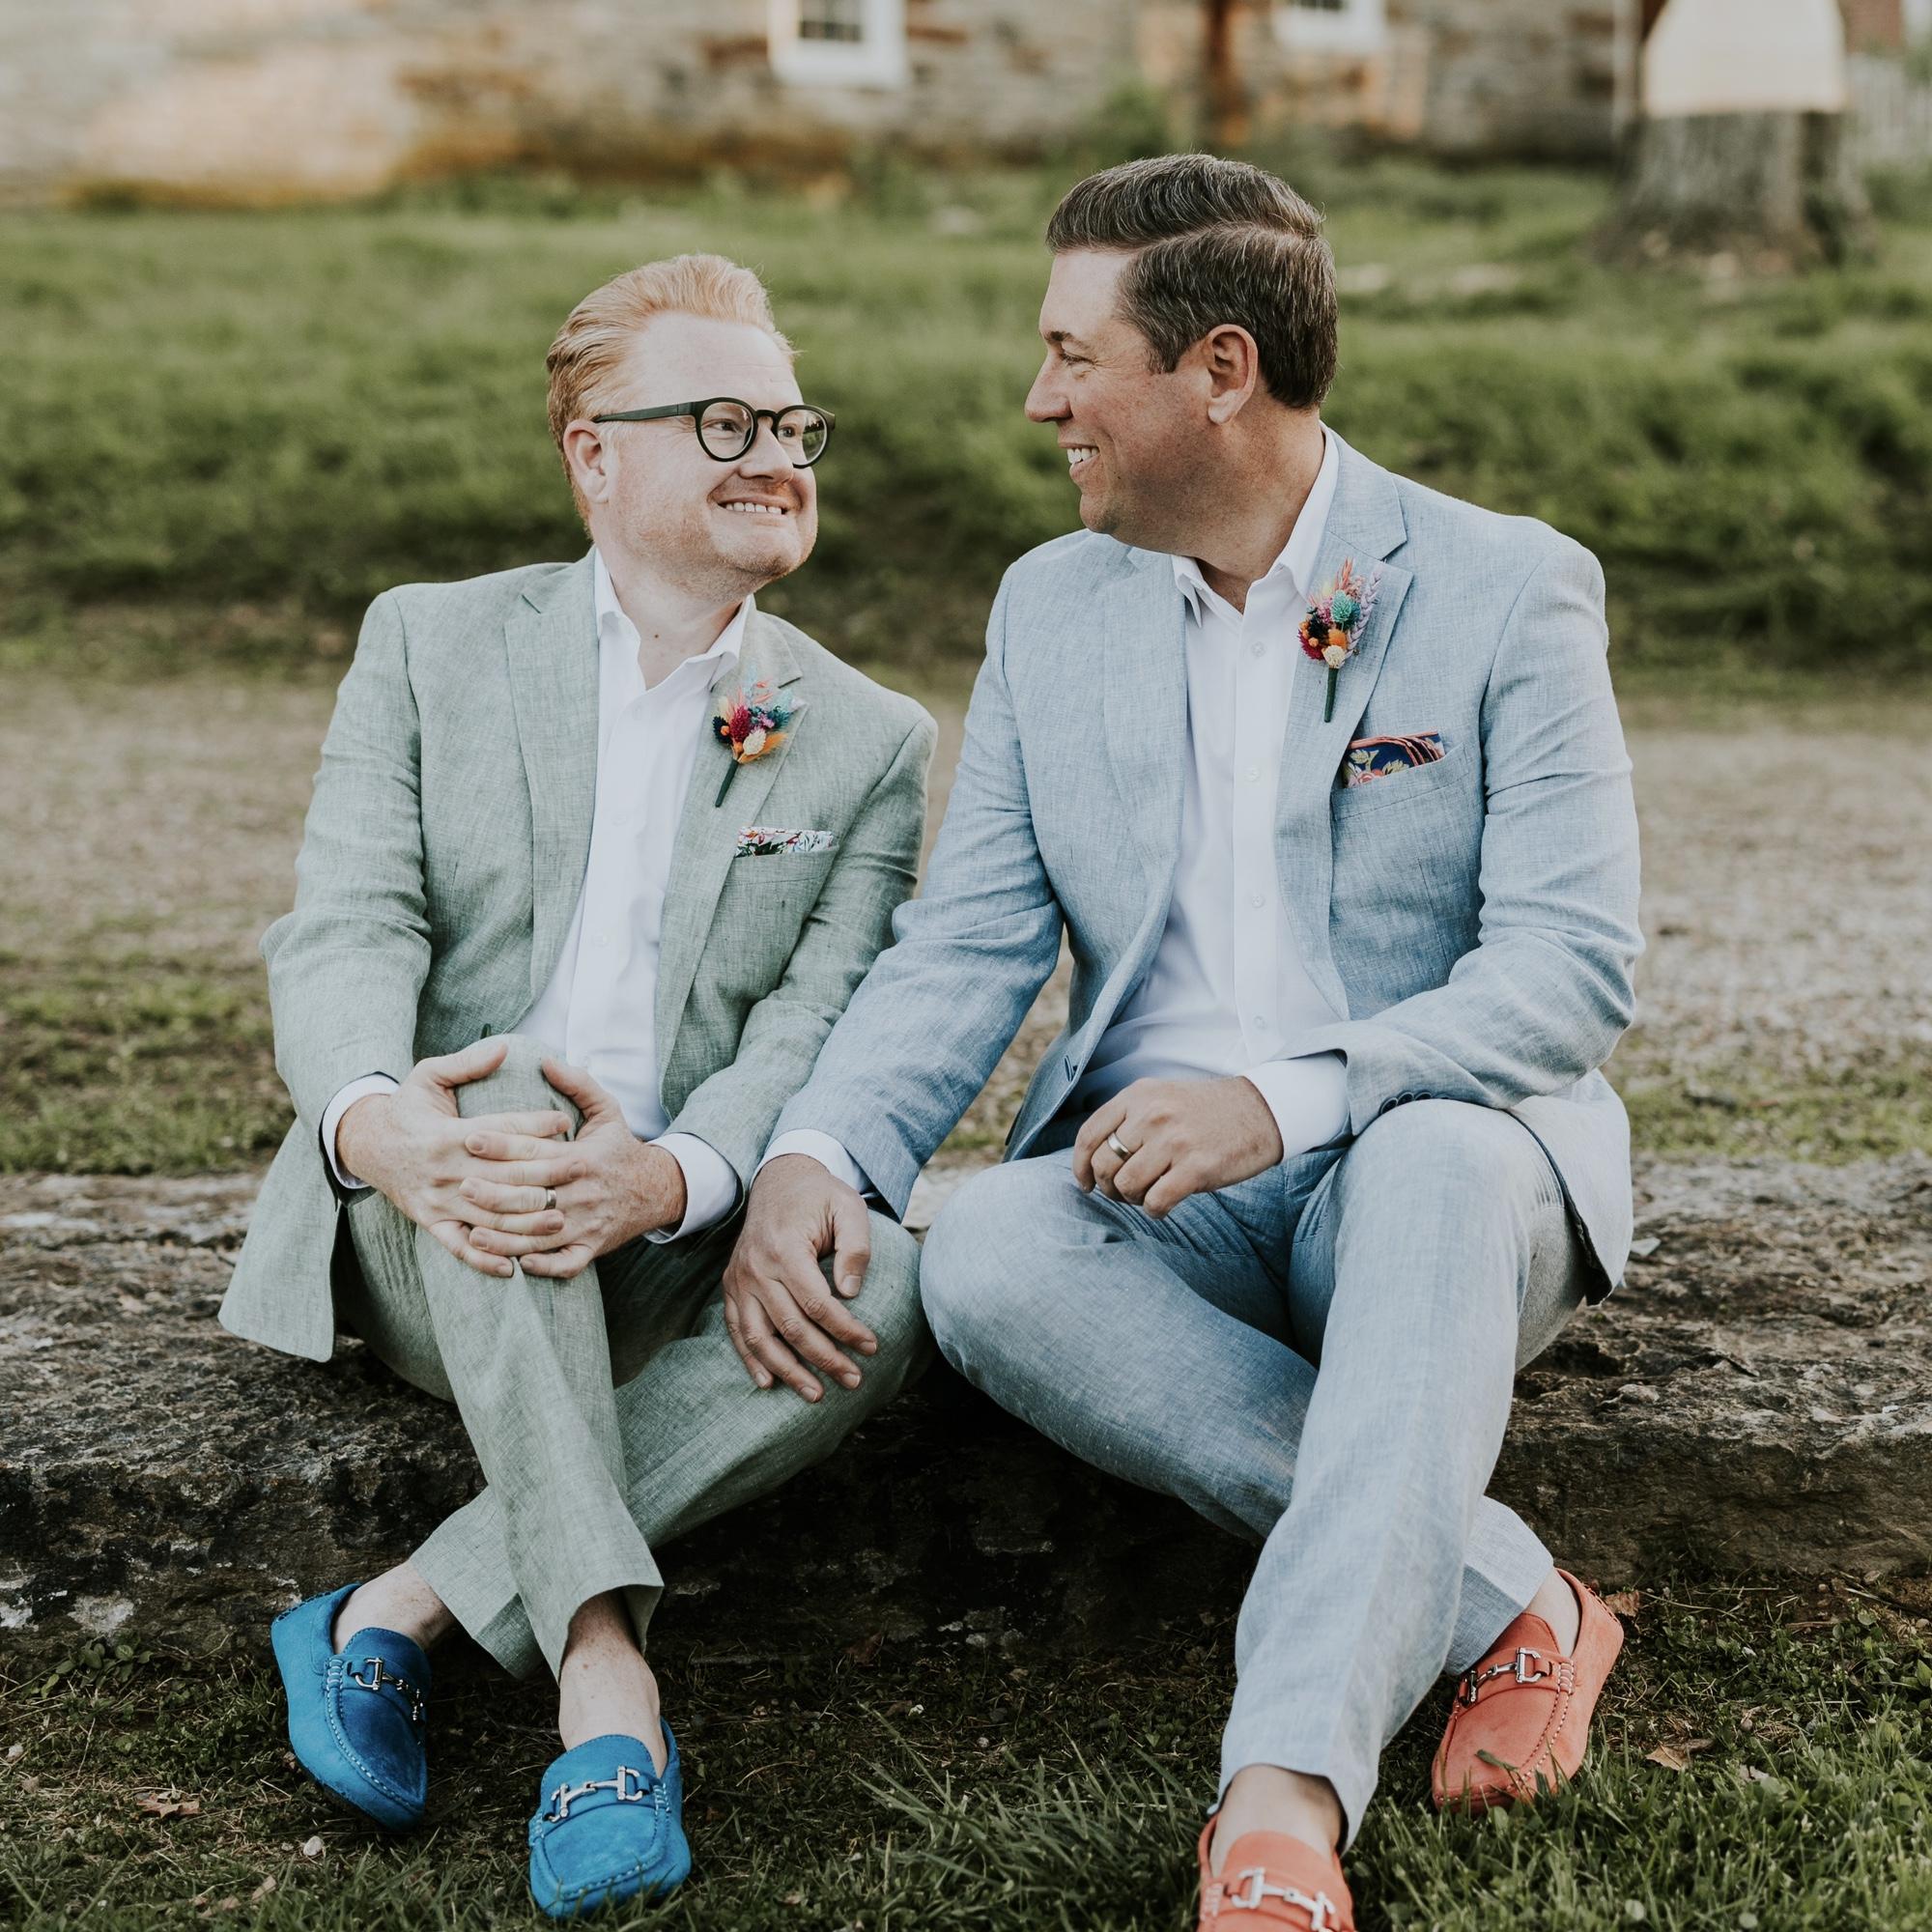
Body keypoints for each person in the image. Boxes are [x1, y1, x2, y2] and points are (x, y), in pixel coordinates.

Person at [731, 156, 1643, 1932]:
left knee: (1444, 1152)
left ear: (1220, 369)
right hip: (1164, 1210)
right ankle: (1513, 1599)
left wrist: (1285, 1099)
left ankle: (1283, 1794)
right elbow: (973, 943)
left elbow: (1570, 974)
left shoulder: (1503, 587)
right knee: (986, 1245)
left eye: (1076, 356)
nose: (1038, 399)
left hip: (1438, 1174)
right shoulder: (1048, 608)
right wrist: (818, 1153)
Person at [218, 253, 937, 1919]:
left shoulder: (869, 735)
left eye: (793, 422)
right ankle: (605, 1673)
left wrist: (678, 1178)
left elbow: (809, 1029)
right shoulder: (433, 642)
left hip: (667, 1234)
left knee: (891, 1277)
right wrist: (379, 1125)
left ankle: (394, 1610)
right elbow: (350, 924)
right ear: (592, 453)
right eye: (724, 420)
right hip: (431, 1207)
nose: (778, 455)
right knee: (508, 1139)